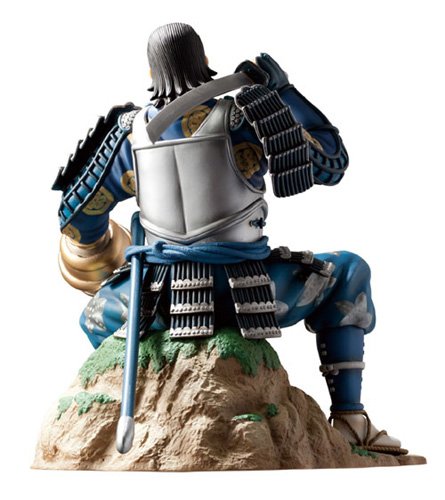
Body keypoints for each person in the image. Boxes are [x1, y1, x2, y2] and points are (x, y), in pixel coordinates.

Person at [54, 22, 405, 455]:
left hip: (157, 304)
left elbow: (76, 221)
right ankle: (351, 418)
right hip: (255, 295)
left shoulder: (126, 136)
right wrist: (284, 92)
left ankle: (151, 400)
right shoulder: (249, 117)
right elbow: (331, 163)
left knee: (95, 314)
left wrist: (109, 250)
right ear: (204, 61)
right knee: (349, 270)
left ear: (150, 73)